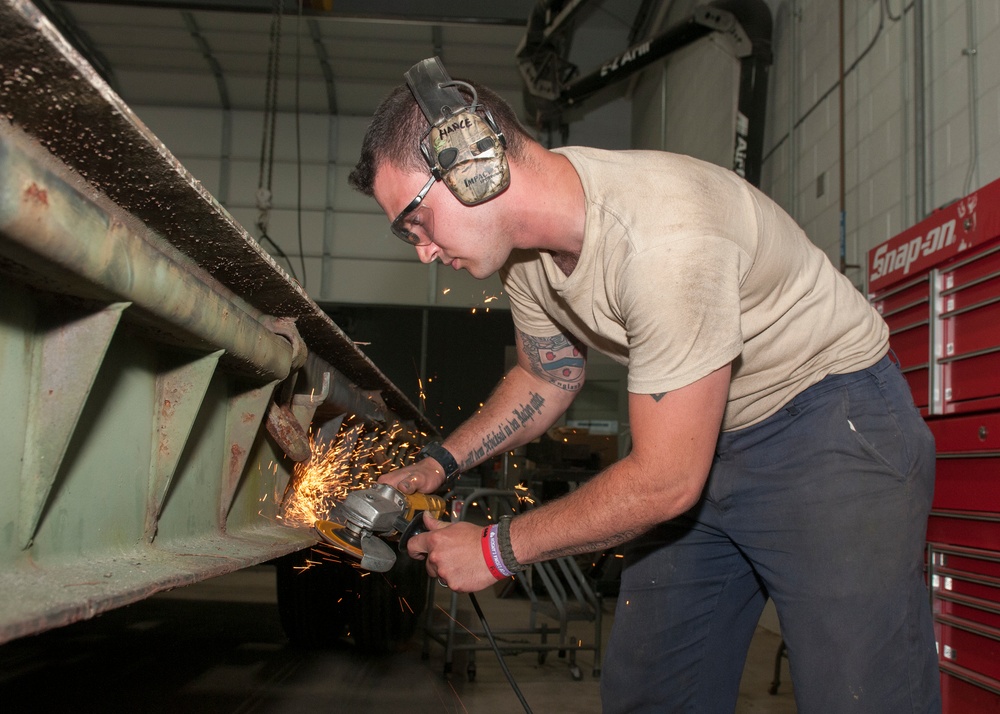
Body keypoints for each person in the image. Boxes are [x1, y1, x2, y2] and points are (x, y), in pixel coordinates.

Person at [348, 57, 941, 713]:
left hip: (829, 432)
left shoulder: (664, 240)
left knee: (862, 697)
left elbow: (664, 481)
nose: (422, 250)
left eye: (414, 221)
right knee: (652, 690)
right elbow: (546, 376)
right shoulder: (524, 253)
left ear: (473, 162)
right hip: (705, 444)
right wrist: (436, 465)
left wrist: (495, 551)